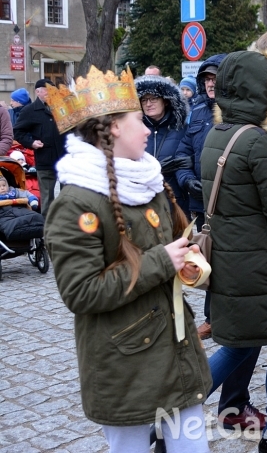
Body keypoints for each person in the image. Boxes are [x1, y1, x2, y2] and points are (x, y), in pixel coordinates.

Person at [44, 66, 211, 452]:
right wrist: (161, 262)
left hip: (175, 351)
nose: (149, 129)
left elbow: (166, 253)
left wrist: (187, 262)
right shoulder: (76, 202)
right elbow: (81, 293)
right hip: (122, 363)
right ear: (115, 128)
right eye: (139, 119)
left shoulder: (147, 181)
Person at [200, 42, 267, 453]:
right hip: (262, 264)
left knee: (240, 344)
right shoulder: (258, 141)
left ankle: (172, 417)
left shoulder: (217, 133)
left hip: (229, 261)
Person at [174, 54, 226, 343]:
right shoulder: (196, 112)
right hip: (199, 201)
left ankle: (222, 317)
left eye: (215, 79)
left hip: (225, 200)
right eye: (206, 79)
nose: (210, 84)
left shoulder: (233, 111)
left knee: (225, 259)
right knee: (206, 257)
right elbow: (182, 151)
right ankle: (210, 319)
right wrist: (186, 179)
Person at [135, 74, 190, 215]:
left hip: (176, 202)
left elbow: (188, 162)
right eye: (144, 99)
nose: (148, 104)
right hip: (142, 201)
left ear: (165, 101)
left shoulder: (182, 129)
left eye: (153, 98)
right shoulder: (134, 130)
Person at [13, 78, 66, 217]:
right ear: (38, 92)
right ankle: (47, 231)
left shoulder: (62, 107)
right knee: (47, 198)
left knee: (68, 197)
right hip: (45, 159)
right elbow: (18, 132)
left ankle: (67, 226)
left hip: (65, 160)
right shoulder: (29, 110)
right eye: (47, 90)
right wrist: (31, 143)